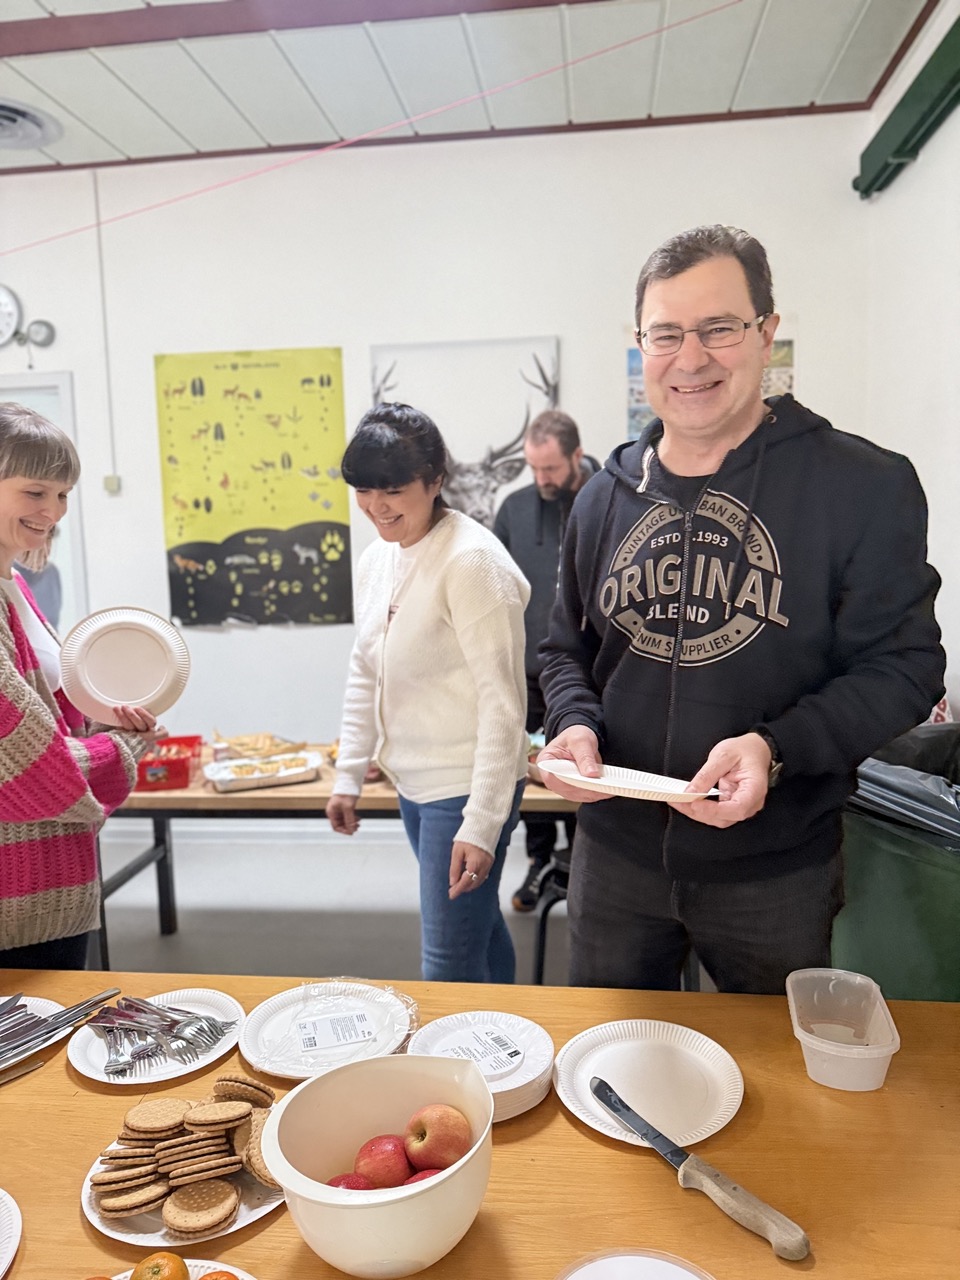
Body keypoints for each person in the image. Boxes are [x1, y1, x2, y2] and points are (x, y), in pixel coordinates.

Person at [537, 225, 945, 995]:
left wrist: (776, 747)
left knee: (775, 1068)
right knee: (612, 1052)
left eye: (718, 328)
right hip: (614, 860)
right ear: (640, 345)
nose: (690, 359)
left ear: (766, 333)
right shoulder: (601, 499)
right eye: (666, 334)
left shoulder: (862, 486)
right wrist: (574, 723)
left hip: (775, 871)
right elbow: (565, 650)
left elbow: (906, 668)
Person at [326, 402, 530, 983]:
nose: (377, 506)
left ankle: (463, 1046)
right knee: (478, 929)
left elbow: (503, 704)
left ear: (435, 481)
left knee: (446, 962)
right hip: (413, 784)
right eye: (364, 491)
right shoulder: (378, 560)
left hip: (463, 787)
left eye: (393, 490)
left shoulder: (471, 562)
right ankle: (506, 1028)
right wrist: (349, 774)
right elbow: (365, 668)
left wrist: (481, 823)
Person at [0, 402, 159, 970]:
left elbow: (44, 712)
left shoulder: (14, 584)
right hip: (15, 899)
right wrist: (123, 746)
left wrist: (99, 718)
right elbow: (28, 764)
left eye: (63, 494)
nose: (53, 511)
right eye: (35, 492)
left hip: (46, 885)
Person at [493, 409, 598, 911]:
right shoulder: (514, 509)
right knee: (529, 770)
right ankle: (539, 861)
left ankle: (581, 866)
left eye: (551, 468)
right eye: (533, 468)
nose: (541, 479)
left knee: (583, 770)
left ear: (577, 455)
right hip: (527, 671)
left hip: (587, 674)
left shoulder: (610, 499)